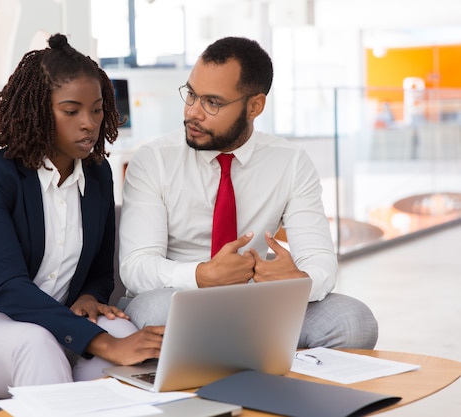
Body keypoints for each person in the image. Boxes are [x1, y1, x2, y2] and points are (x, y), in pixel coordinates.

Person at [0, 34, 164, 399]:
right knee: (37, 344)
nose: (89, 123)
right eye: (71, 111)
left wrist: (87, 296)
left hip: (57, 321)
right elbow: (5, 285)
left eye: (97, 109)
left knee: (127, 337)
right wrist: (101, 343)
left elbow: (100, 271)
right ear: (37, 111)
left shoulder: (98, 174)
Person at [118, 36, 378, 349]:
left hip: (255, 300)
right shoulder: (154, 160)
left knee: (354, 322)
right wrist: (201, 275)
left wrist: (298, 281)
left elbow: (320, 260)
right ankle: (250, 356)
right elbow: (136, 267)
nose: (192, 113)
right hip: (178, 296)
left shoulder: (290, 162)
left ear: (254, 106)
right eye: (191, 95)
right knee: (159, 315)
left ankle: (268, 379)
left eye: (212, 103)